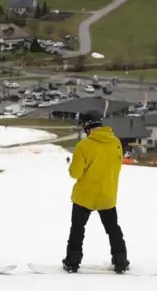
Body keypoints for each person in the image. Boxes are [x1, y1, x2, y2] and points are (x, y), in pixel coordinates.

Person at [63, 109, 130, 274]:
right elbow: (117, 166)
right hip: (107, 194)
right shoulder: (115, 143)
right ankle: (121, 260)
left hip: (84, 196)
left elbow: (75, 173)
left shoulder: (83, 146)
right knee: (113, 228)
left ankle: (72, 262)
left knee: (77, 229)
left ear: (86, 126)